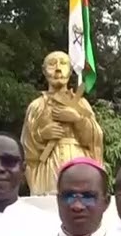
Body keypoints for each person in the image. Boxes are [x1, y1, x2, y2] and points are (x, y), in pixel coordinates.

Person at [19, 50, 106, 195]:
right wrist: (41, 135)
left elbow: (95, 139)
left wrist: (77, 119)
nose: (58, 68)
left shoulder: (81, 103)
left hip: (79, 160)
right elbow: (26, 146)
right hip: (49, 164)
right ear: (44, 71)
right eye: (52, 64)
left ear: (71, 70)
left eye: (63, 63)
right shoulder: (37, 106)